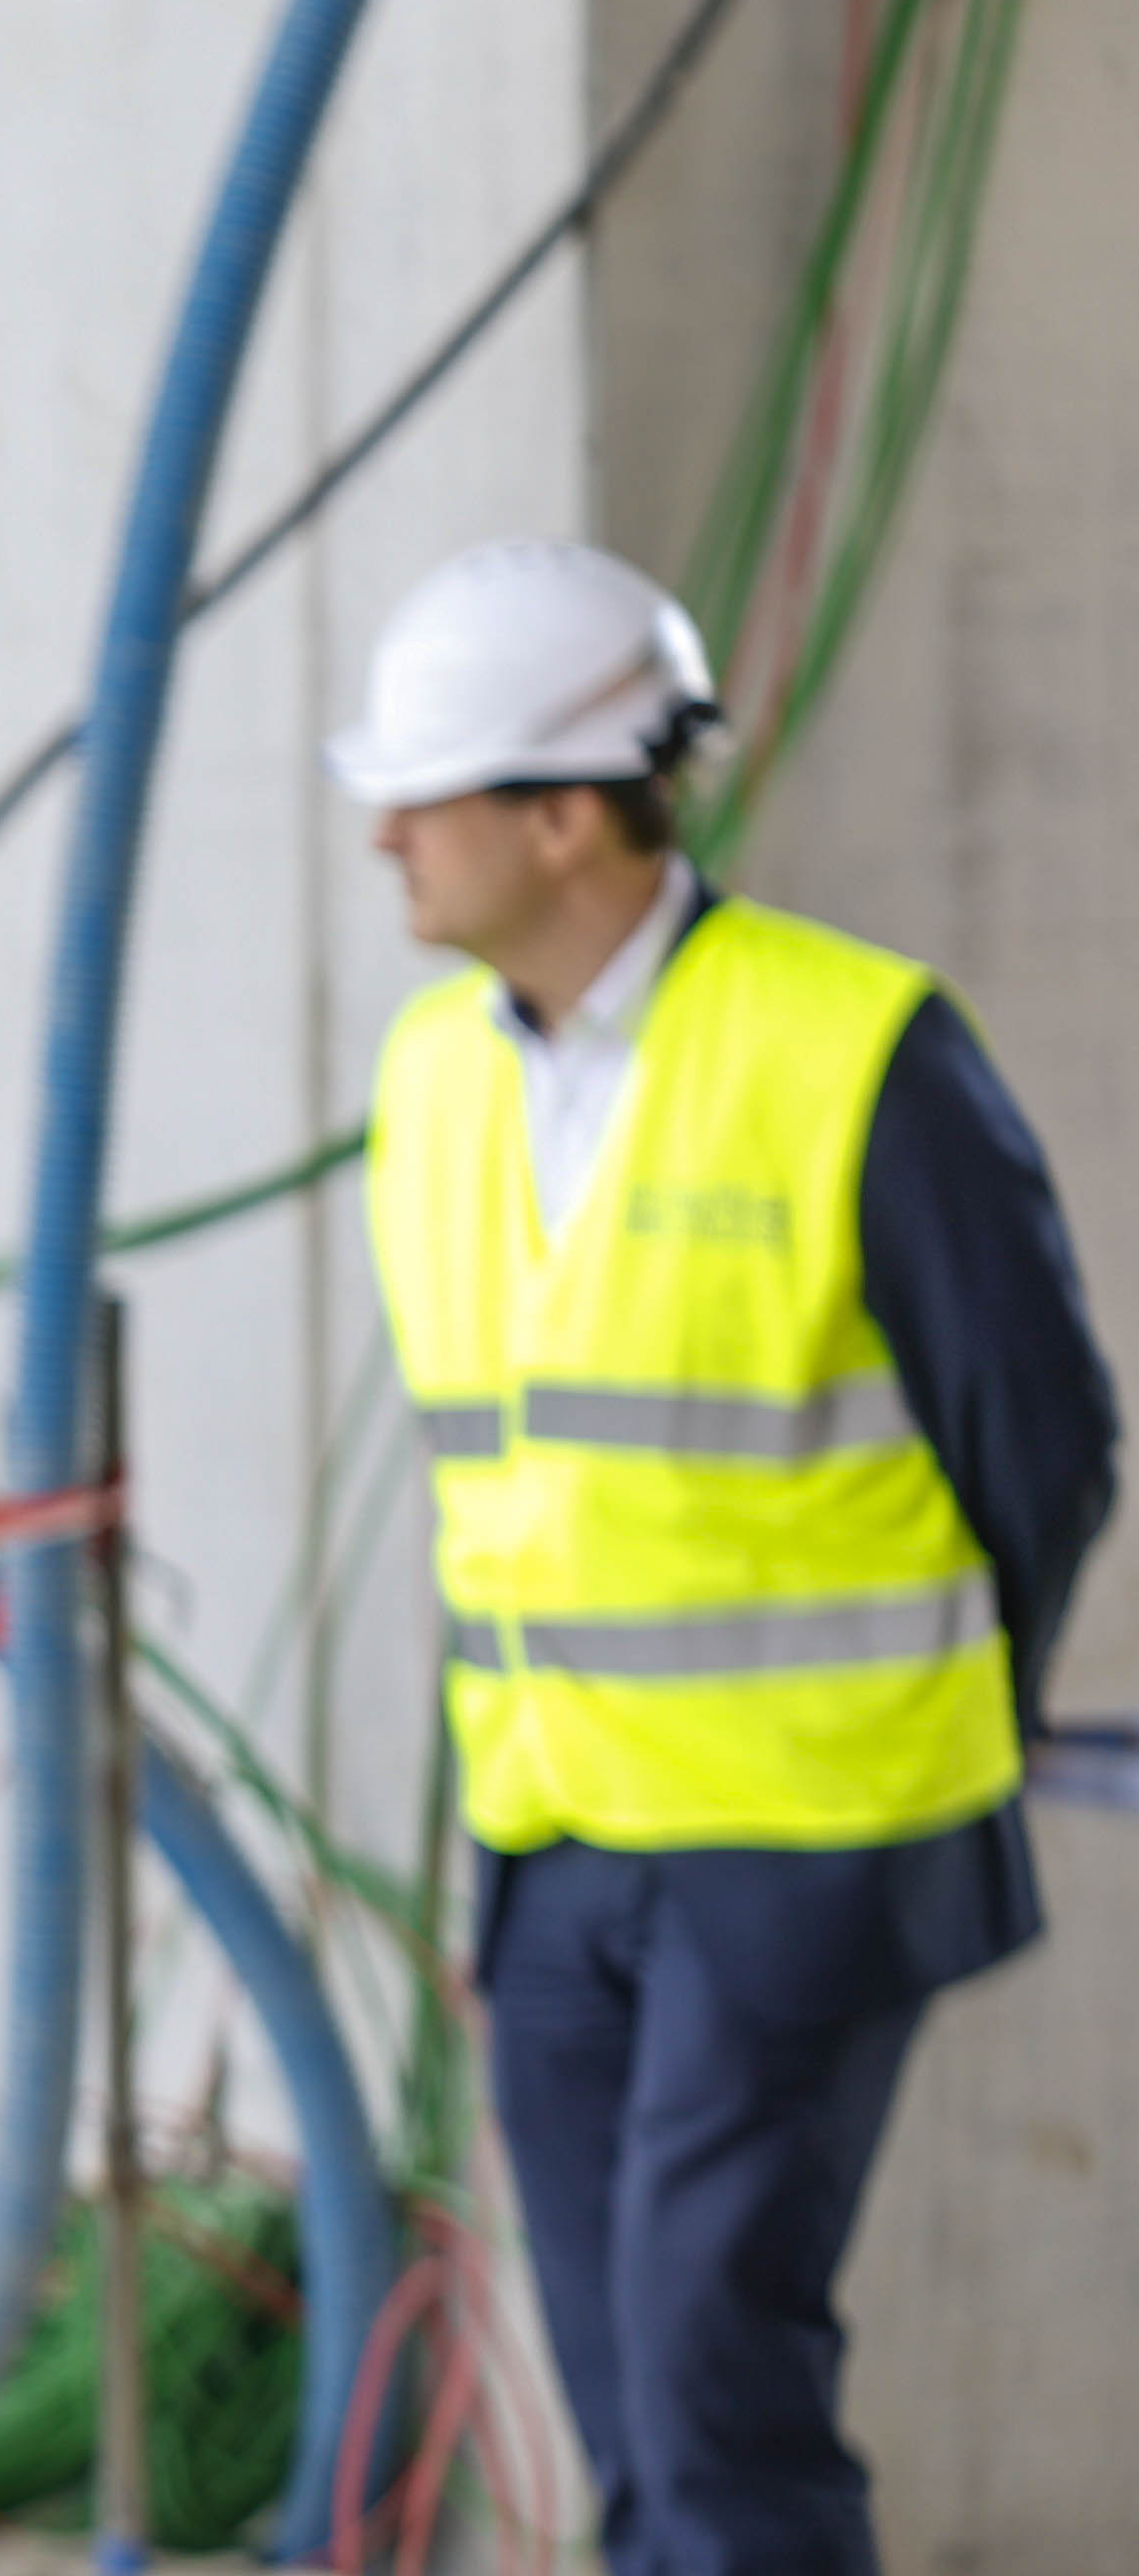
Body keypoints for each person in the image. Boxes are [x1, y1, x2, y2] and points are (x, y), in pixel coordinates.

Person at [332, 540, 1115, 2576]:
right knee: (630, 2394)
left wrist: (960, 1696)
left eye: (423, 793)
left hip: (808, 1837)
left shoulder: (858, 1054)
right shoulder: (428, 1085)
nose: (384, 835)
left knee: (709, 2370)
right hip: (557, 1838)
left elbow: (1047, 1440)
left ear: (569, 813)